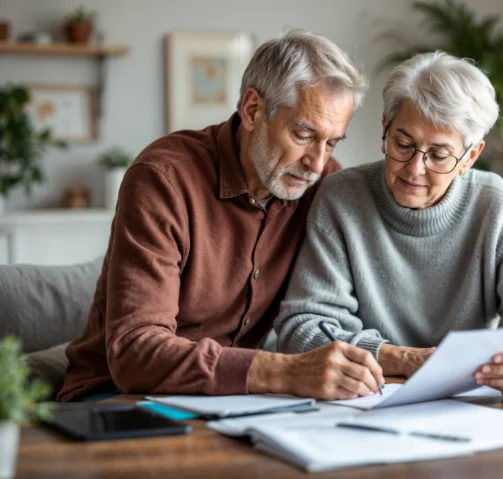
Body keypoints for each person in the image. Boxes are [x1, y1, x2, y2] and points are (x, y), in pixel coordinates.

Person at [58, 30, 386, 402]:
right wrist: (286, 371)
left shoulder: (321, 184)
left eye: (331, 142)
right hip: (117, 395)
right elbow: (136, 351)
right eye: (303, 134)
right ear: (252, 110)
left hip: (234, 401)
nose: (317, 162)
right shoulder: (164, 178)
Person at [275, 51, 503, 401]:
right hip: (361, 401)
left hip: (468, 408)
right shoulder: (342, 197)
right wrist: (399, 358)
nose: (414, 169)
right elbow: (301, 326)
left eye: (438, 155)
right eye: (403, 144)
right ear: (385, 127)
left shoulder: (495, 206)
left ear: (470, 156)